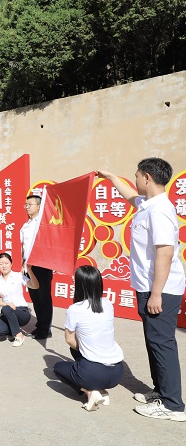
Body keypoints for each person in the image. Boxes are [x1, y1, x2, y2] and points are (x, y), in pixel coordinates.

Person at [98, 159, 186, 421]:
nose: (134, 180)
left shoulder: (159, 211)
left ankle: (173, 405)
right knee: (154, 342)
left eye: (136, 175)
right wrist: (111, 177)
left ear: (147, 177)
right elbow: (130, 196)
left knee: (162, 344)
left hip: (160, 289)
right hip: (149, 287)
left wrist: (156, 293)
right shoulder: (148, 204)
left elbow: (165, 253)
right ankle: (161, 391)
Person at [53, 266, 124, 411]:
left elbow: (69, 340)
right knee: (75, 351)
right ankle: (101, 390)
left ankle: (90, 392)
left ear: (80, 285)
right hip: (117, 372)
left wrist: (87, 349)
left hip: (94, 373)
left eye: (75, 280)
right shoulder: (107, 304)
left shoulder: (75, 309)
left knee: (58, 368)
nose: (73, 281)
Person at [20, 194, 54, 339]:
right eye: (26, 205)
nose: (27, 207)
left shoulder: (44, 223)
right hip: (28, 266)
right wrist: (22, 264)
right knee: (35, 297)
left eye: (30, 204)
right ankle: (39, 325)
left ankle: (45, 329)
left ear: (39, 206)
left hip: (42, 265)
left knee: (44, 297)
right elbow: (23, 247)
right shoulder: (25, 226)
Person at [0, 252, 30, 347]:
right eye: (1, 264)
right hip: (7, 311)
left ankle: (19, 335)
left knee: (6, 309)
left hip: (22, 312)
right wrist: (6, 304)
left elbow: (35, 286)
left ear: (11, 264)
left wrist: (30, 271)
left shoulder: (18, 276)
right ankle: (13, 329)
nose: (4, 266)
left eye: (6, 263)